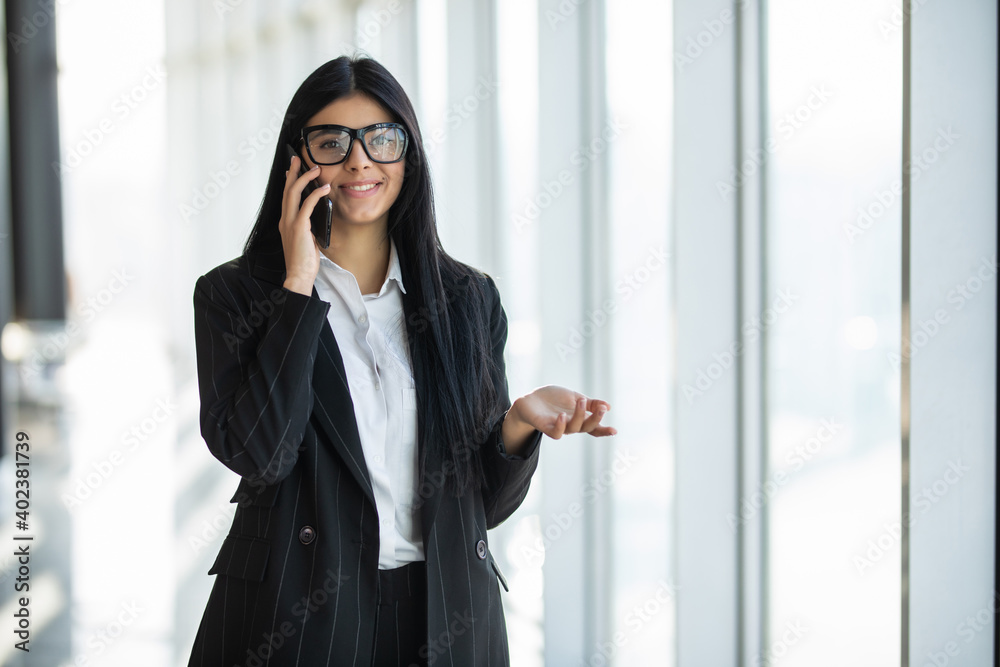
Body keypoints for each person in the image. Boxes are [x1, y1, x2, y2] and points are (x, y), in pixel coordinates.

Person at [187, 54, 616, 667]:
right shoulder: (236, 297)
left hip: (444, 612)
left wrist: (518, 424)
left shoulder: (466, 299)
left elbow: (484, 509)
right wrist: (298, 286)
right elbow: (262, 453)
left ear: (408, 155)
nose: (360, 160)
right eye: (332, 142)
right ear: (296, 161)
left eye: (381, 139)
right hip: (297, 615)